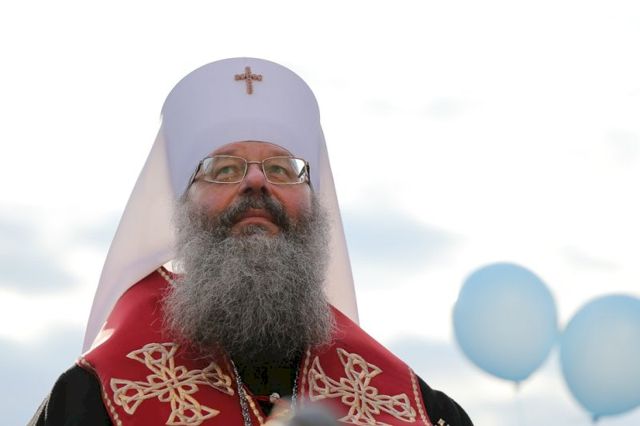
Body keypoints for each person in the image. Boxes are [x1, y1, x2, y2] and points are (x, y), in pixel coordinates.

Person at [31, 58, 473, 426]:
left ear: (316, 207)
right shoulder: (91, 399)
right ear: (181, 211)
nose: (257, 182)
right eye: (224, 169)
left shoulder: (423, 411)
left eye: (282, 169)